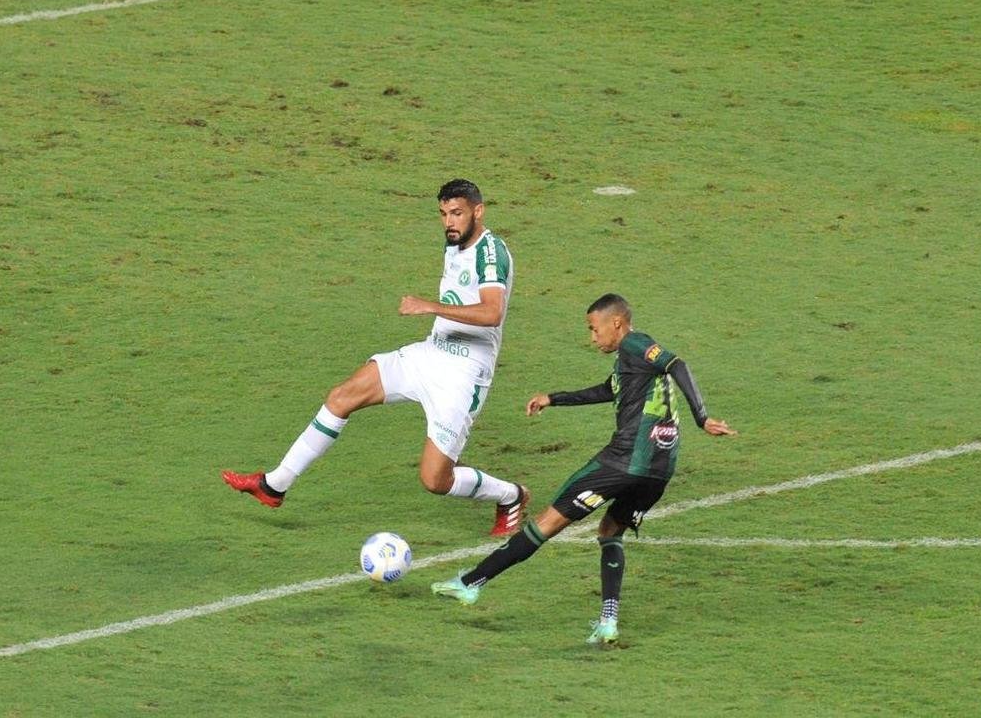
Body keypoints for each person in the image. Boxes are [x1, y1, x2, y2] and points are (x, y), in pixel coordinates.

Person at [222, 179, 529, 536]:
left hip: (463, 374)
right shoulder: (455, 243)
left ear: (478, 211)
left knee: (435, 479)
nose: (449, 222)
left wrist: (430, 306)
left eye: (457, 213)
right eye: (443, 214)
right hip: (430, 354)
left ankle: (511, 495)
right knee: (342, 396)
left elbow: (493, 312)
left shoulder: (491, 252)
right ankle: (275, 485)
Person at [431, 293, 736, 643]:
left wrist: (703, 417)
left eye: (594, 329)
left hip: (623, 462)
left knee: (545, 524)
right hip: (659, 469)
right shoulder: (630, 364)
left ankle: (471, 584)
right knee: (609, 532)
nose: (593, 338)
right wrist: (554, 398)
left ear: (616, 323)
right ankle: (608, 622)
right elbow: (610, 390)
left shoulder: (636, 343)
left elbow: (676, 364)